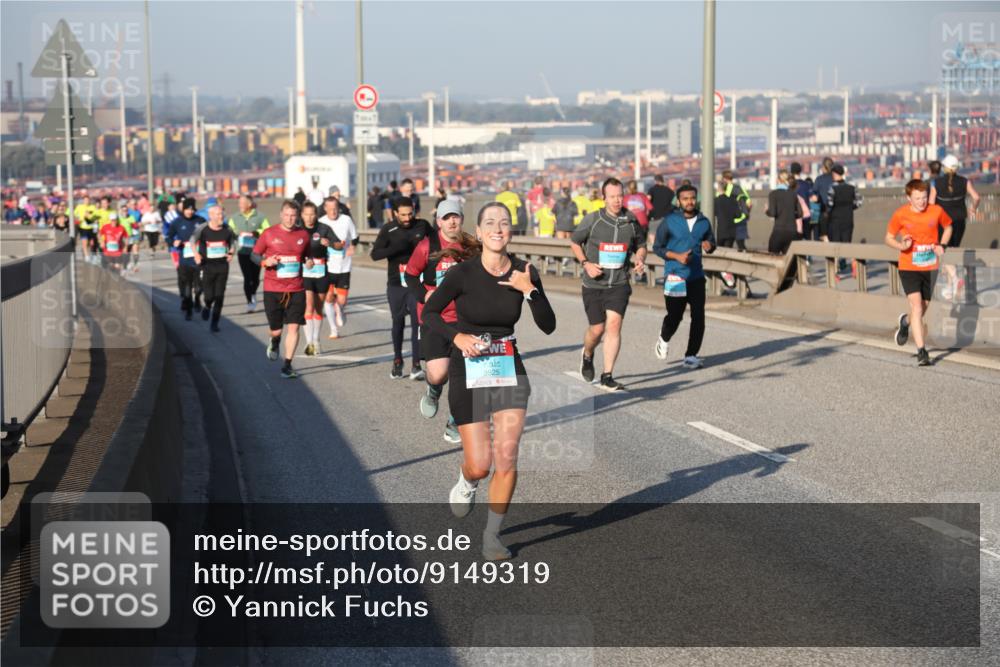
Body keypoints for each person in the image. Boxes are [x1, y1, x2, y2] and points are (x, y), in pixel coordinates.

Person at [423, 201, 556, 560]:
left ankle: (492, 536)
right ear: (479, 233)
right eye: (490, 223)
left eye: (505, 223)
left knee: (507, 457)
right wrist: (457, 338)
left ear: (511, 232)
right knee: (480, 463)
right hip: (469, 366)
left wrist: (530, 290)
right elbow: (430, 314)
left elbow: (548, 325)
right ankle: (467, 481)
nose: (498, 228)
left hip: (508, 366)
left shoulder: (525, 271)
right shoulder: (462, 274)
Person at [405, 199, 476, 444]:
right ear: (439, 222)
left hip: (465, 319)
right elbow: (410, 275)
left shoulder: (470, 246)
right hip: (435, 318)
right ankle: (433, 390)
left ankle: (456, 420)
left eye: (456, 216)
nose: (452, 221)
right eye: (447, 218)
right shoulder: (427, 245)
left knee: (464, 374)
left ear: (462, 219)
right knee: (438, 374)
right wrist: (425, 294)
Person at [570, 177, 647, 391]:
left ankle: (607, 375)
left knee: (613, 325)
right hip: (594, 283)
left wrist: (640, 259)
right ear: (603, 198)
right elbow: (575, 242)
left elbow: (641, 245)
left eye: (620, 196)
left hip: (619, 283)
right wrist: (586, 263)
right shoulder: (593, 220)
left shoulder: (631, 221)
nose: (616, 200)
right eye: (612, 196)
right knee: (597, 329)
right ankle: (587, 354)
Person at [885, 179, 952, 367]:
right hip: (908, 266)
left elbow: (948, 227)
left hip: (930, 267)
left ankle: (905, 322)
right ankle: (922, 351)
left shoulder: (936, 210)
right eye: (917, 198)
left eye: (924, 197)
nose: (922, 201)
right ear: (909, 198)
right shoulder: (901, 214)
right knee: (917, 308)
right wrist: (901, 245)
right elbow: (888, 238)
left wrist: (942, 245)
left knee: (922, 309)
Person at [652, 184, 717, 369]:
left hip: (696, 277)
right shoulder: (670, 221)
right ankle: (663, 339)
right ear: (679, 201)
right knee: (675, 316)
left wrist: (709, 246)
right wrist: (677, 256)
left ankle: (691, 355)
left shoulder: (703, 221)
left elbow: (712, 242)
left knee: (699, 316)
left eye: (692, 198)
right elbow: (658, 247)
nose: (689, 201)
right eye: (685, 198)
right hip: (675, 277)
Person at [252, 200, 313, 379]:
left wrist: (308, 261)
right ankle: (275, 340)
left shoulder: (303, 235)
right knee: (276, 329)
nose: (289, 219)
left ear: (298, 216)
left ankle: (287, 365)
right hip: (273, 288)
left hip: (296, 288)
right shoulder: (269, 234)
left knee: (294, 328)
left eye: (293, 215)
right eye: (286, 215)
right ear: (281, 215)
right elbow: (254, 255)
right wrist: (265, 262)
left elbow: (306, 255)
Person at [370, 197, 431, 379]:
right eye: (403, 215)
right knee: (398, 321)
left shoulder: (423, 226)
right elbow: (375, 254)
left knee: (417, 323)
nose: (407, 218)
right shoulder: (389, 229)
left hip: (417, 283)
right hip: (397, 283)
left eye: (410, 214)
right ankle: (398, 360)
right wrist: (395, 248)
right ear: (395, 213)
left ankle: (416, 365)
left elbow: (437, 244)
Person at [930, 154, 980, 301]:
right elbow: (976, 197)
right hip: (960, 221)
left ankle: (955, 279)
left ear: (944, 168)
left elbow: (932, 205)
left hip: (942, 223)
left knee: (942, 252)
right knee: (951, 250)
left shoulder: (936, 183)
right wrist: (973, 209)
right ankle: (950, 287)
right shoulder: (964, 181)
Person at [300, 201, 342, 354]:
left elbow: (340, 245)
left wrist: (330, 243)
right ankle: (309, 342)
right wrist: (304, 259)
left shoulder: (324, 228)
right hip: (304, 273)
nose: (309, 217)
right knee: (308, 305)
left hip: (321, 272)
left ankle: (316, 339)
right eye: (306, 214)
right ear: (302, 215)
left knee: (318, 308)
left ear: (316, 215)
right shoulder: (298, 229)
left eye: (312, 214)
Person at [191, 203, 236, 332]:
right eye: (218, 214)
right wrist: (196, 254)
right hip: (207, 266)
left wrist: (231, 253)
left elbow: (232, 243)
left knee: (220, 296)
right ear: (210, 216)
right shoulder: (203, 228)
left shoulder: (228, 229)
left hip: (222, 266)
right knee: (209, 296)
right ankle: (207, 306)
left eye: (222, 213)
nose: (221, 216)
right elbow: (192, 241)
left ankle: (214, 323)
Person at [320, 195, 359, 339]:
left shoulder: (346, 220)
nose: (333, 212)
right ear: (325, 209)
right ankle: (333, 329)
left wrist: (352, 247)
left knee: (341, 300)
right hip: (327, 266)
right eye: (330, 209)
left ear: (339, 208)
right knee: (328, 298)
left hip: (344, 266)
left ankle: (340, 309)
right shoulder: (321, 222)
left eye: (335, 209)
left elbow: (355, 237)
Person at [227, 195, 271, 313]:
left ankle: (253, 294)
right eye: (239, 202)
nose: (240, 205)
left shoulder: (260, 217)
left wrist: (257, 233)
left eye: (242, 202)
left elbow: (268, 231)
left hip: (257, 252)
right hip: (243, 253)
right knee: (248, 278)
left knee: (255, 279)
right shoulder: (235, 217)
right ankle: (250, 301)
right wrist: (237, 234)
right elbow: (229, 232)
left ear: (249, 204)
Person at [165, 198, 206, 320]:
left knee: (199, 287)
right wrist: (174, 242)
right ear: (183, 209)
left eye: (192, 209)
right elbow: (169, 237)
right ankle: (188, 310)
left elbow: (208, 235)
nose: (190, 211)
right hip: (185, 260)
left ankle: (197, 299)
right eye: (187, 209)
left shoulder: (200, 221)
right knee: (187, 288)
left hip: (199, 259)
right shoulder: (177, 222)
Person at [825, 163, 862, 274]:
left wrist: (829, 213)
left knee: (836, 243)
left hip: (836, 219)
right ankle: (851, 262)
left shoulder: (832, 188)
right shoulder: (852, 188)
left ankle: (836, 269)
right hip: (848, 218)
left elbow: (830, 203)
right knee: (847, 242)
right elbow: (859, 202)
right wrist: (851, 208)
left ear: (835, 174)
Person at [765, 170, 804, 255]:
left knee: (772, 258)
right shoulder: (793, 194)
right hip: (792, 232)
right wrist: (790, 213)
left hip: (779, 231)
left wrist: (766, 210)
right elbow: (800, 213)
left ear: (778, 180)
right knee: (790, 262)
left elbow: (772, 213)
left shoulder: (773, 194)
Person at [811, 157, 835, 241]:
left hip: (822, 212)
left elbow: (814, 196)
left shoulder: (819, 180)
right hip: (834, 212)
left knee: (819, 238)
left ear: (825, 167)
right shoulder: (835, 179)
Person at [73, 194, 99, 264]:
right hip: (83, 228)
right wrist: (78, 219)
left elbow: (96, 217)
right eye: (85, 200)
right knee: (85, 242)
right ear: (83, 201)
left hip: (91, 227)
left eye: (88, 200)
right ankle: (87, 257)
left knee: (92, 243)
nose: (86, 201)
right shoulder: (79, 207)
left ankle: (92, 256)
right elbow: (74, 215)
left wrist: (89, 216)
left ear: (89, 200)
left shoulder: (92, 207)